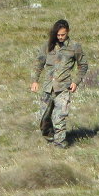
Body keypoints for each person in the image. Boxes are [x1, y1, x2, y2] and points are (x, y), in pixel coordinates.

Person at [30, 19, 88, 148]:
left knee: (59, 118)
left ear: (68, 32)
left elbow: (83, 65)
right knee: (44, 119)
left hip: (63, 88)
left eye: (63, 34)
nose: (60, 37)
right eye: (58, 35)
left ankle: (60, 145)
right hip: (47, 88)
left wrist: (76, 82)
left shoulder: (74, 47)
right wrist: (35, 81)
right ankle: (50, 137)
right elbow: (39, 64)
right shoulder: (47, 46)